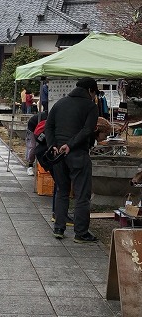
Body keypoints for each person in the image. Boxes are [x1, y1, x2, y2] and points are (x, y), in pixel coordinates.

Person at [45, 77, 100, 243]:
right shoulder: (91, 106)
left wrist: (53, 145)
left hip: (58, 156)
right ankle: (81, 233)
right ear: (91, 90)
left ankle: (59, 228)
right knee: (81, 195)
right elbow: (87, 130)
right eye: (94, 93)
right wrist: (70, 145)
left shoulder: (60, 103)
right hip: (78, 155)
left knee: (62, 191)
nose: (94, 96)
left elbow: (49, 126)